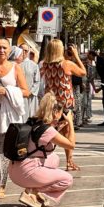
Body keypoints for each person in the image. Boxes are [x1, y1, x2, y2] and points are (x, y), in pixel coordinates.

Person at [9, 92, 75, 207]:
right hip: (26, 172)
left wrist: (58, 125)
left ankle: (33, 191)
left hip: (15, 169)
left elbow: (41, 136)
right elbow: (71, 145)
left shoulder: (33, 121)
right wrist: (70, 122)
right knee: (67, 179)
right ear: (55, 112)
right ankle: (33, 193)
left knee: (54, 159)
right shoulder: (48, 131)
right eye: (61, 112)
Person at [40, 39, 85, 171]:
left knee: (49, 130)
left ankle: (44, 159)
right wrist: (76, 55)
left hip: (50, 102)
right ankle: (69, 161)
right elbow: (83, 72)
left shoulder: (44, 64)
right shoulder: (66, 64)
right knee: (68, 131)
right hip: (65, 103)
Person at [0, 37, 30, 198]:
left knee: (1, 151)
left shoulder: (15, 68)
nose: (1, 50)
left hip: (5, 112)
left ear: (9, 50)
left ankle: (1, 186)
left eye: (4, 47)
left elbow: (26, 91)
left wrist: (8, 91)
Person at [20, 44, 42, 121]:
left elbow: (37, 81)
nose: (23, 52)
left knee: (31, 117)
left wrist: (31, 92)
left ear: (28, 52)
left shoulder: (33, 65)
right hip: (19, 95)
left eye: (25, 50)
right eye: (21, 50)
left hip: (31, 96)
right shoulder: (14, 64)